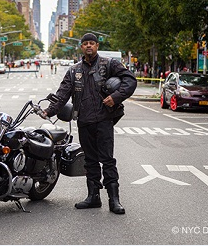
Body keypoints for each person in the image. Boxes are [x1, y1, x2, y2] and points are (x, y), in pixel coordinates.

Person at [42, 33, 137, 214]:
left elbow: (130, 80)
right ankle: (93, 197)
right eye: (85, 43)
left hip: (104, 120)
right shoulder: (74, 71)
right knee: (90, 161)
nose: (88, 46)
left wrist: (115, 97)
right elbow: (62, 94)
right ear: (81, 47)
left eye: (91, 43)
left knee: (107, 160)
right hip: (84, 121)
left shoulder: (109, 64)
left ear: (97, 46)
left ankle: (114, 199)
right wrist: (49, 111)